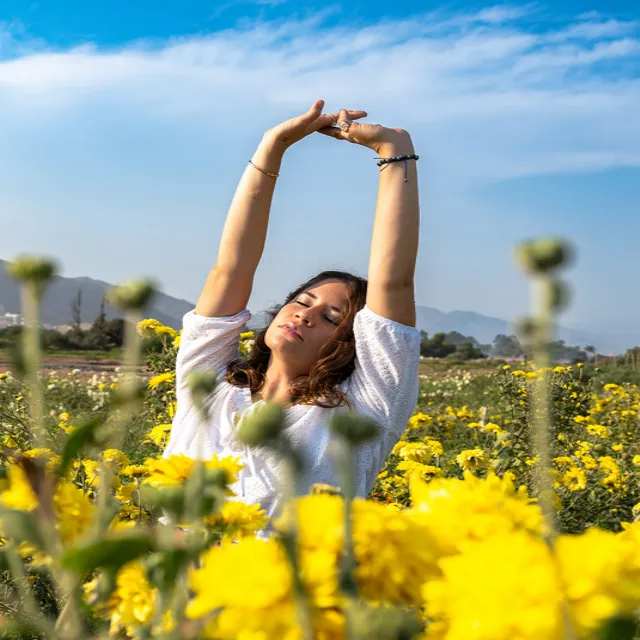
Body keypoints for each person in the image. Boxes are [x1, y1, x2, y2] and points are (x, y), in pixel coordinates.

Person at [163, 100, 421, 520]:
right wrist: (273, 146)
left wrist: (395, 151)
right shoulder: (208, 383)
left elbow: (394, 282)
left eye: (331, 318)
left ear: (354, 345)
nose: (305, 314)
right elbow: (230, 269)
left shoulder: (363, 410)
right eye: (302, 302)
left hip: (290, 585)